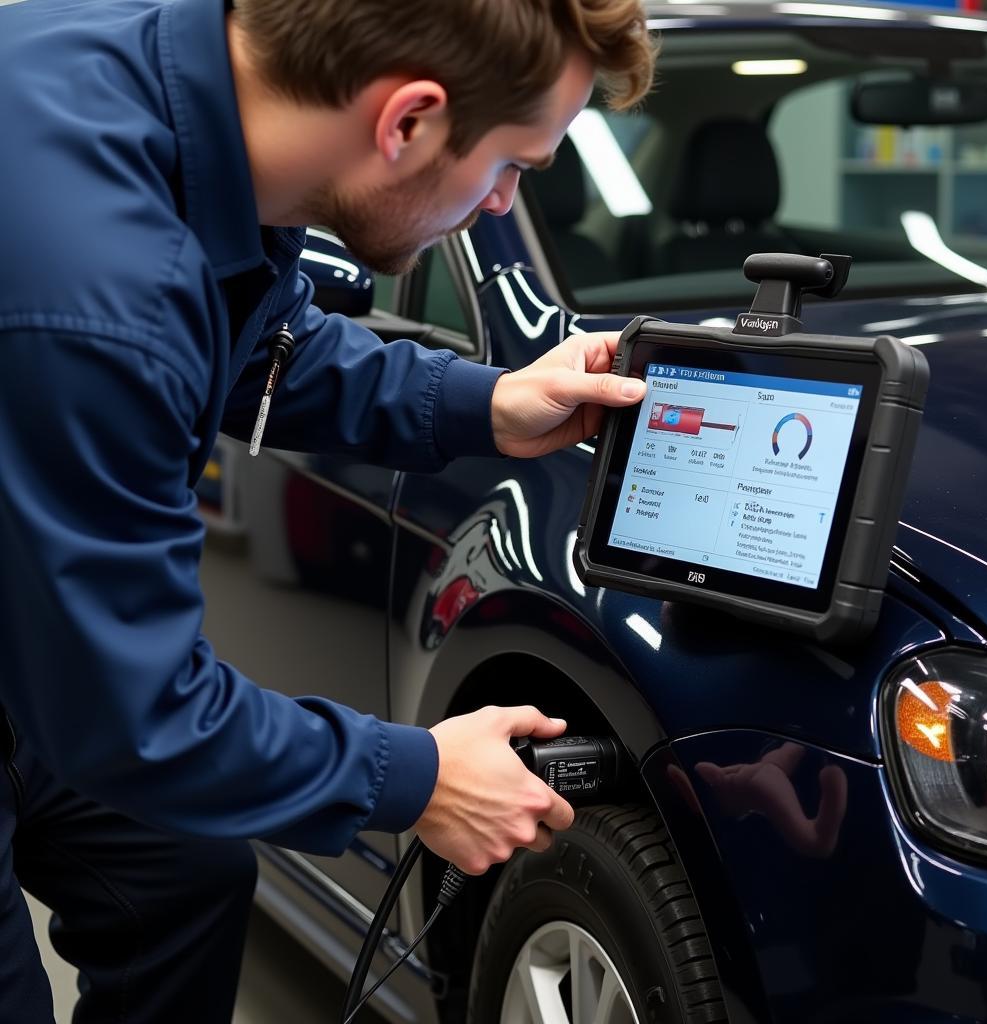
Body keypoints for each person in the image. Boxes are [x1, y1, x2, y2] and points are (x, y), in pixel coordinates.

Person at [0, 0, 655, 1019]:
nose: (499, 204)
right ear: (408, 122)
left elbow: (256, 340)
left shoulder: (192, 90)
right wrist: (418, 776)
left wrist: (484, 401)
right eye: (514, 164)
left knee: (187, 875)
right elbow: (136, 715)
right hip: (45, 649)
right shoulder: (97, 286)